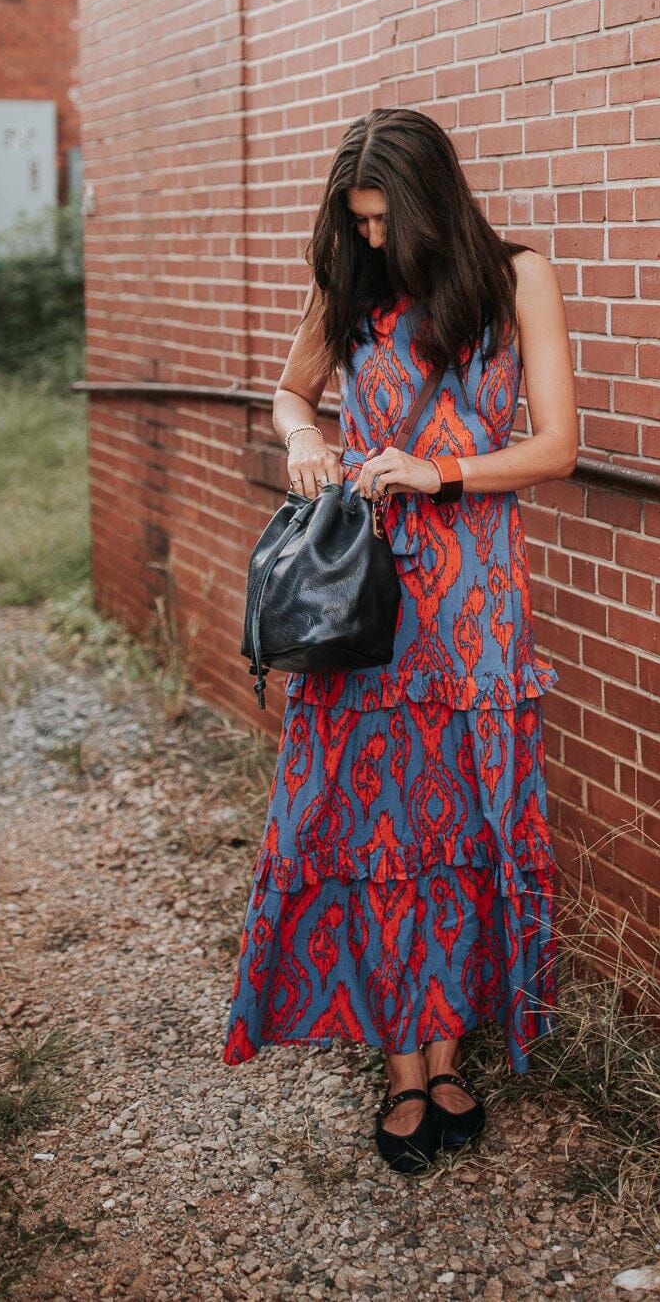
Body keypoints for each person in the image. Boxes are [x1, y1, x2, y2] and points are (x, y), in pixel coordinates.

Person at [221, 107, 578, 1173]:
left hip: (477, 608)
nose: (371, 237)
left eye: (383, 219)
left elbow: (557, 446)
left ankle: (450, 1051)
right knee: (378, 830)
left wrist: (441, 471)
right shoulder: (351, 282)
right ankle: (402, 1069)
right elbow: (291, 393)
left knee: (464, 826)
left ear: (429, 203)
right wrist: (305, 442)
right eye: (360, 221)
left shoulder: (517, 279)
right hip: (369, 604)